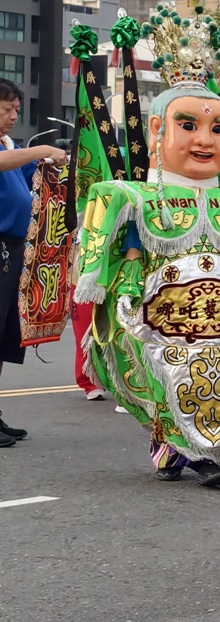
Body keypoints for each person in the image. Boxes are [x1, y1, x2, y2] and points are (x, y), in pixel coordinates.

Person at [75, 11, 220, 484]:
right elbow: (115, 254)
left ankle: (199, 446)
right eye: (188, 126)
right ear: (155, 130)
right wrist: (122, 292)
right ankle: (181, 441)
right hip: (164, 318)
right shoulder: (128, 196)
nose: (205, 140)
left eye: (219, 129)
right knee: (169, 373)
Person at [0, 79, 68, 447]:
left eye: (15, 110)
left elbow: (23, 175)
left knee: (3, 338)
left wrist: (47, 165)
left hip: (12, 250)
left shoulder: (8, 146)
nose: (13, 116)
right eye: (7, 109)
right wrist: (40, 148)